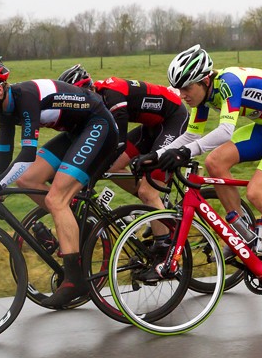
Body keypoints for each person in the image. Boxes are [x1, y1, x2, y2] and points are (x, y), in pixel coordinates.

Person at [138, 44, 262, 292]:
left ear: (203, 80)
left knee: (257, 192)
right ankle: (242, 231)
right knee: (215, 162)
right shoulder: (203, 95)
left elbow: (225, 131)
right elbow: (191, 135)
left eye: (186, 88)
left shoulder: (228, 83)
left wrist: (183, 153)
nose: (182, 95)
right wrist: (154, 156)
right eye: (179, 88)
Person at [0, 56, 122, 308]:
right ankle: (69, 218)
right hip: (76, 131)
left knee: (56, 198)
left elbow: (27, 154)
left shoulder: (26, 98)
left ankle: (75, 279)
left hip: (99, 125)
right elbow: (3, 157)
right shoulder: (5, 109)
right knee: (26, 179)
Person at [57, 64, 190, 255]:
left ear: (90, 89)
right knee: (112, 168)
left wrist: (91, 173)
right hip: (152, 127)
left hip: (174, 120)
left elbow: (117, 143)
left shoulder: (112, 95)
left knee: (146, 189)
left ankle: (164, 247)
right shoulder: (99, 98)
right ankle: (157, 206)